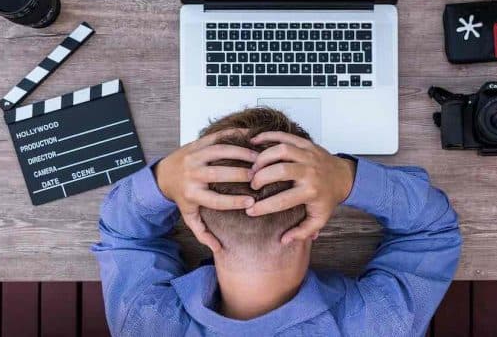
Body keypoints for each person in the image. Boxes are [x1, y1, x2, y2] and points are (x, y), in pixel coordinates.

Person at [92, 107, 461, 336]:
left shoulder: (145, 324)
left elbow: (124, 235)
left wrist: (162, 181)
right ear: (314, 228)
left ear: (199, 227)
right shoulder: (380, 325)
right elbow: (433, 228)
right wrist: (345, 178)